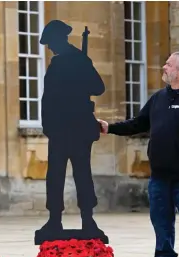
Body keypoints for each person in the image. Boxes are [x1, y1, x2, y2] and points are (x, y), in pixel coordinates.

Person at [98, 52, 179, 257]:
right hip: (159, 176)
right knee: (161, 221)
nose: (164, 67)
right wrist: (109, 128)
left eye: (169, 64)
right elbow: (138, 124)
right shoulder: (159, 98)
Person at [37, 20, 106, 235]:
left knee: (81, 174)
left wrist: (84, 75)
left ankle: (88, 220)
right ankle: (54, 220)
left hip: (76, 127)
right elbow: (47, 99)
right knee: (56, 176)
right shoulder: (61, 63)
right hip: (60, 128)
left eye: (50, 43)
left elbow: (98, 87)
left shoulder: (80, 61)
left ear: (59, 39)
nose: (49, 47)